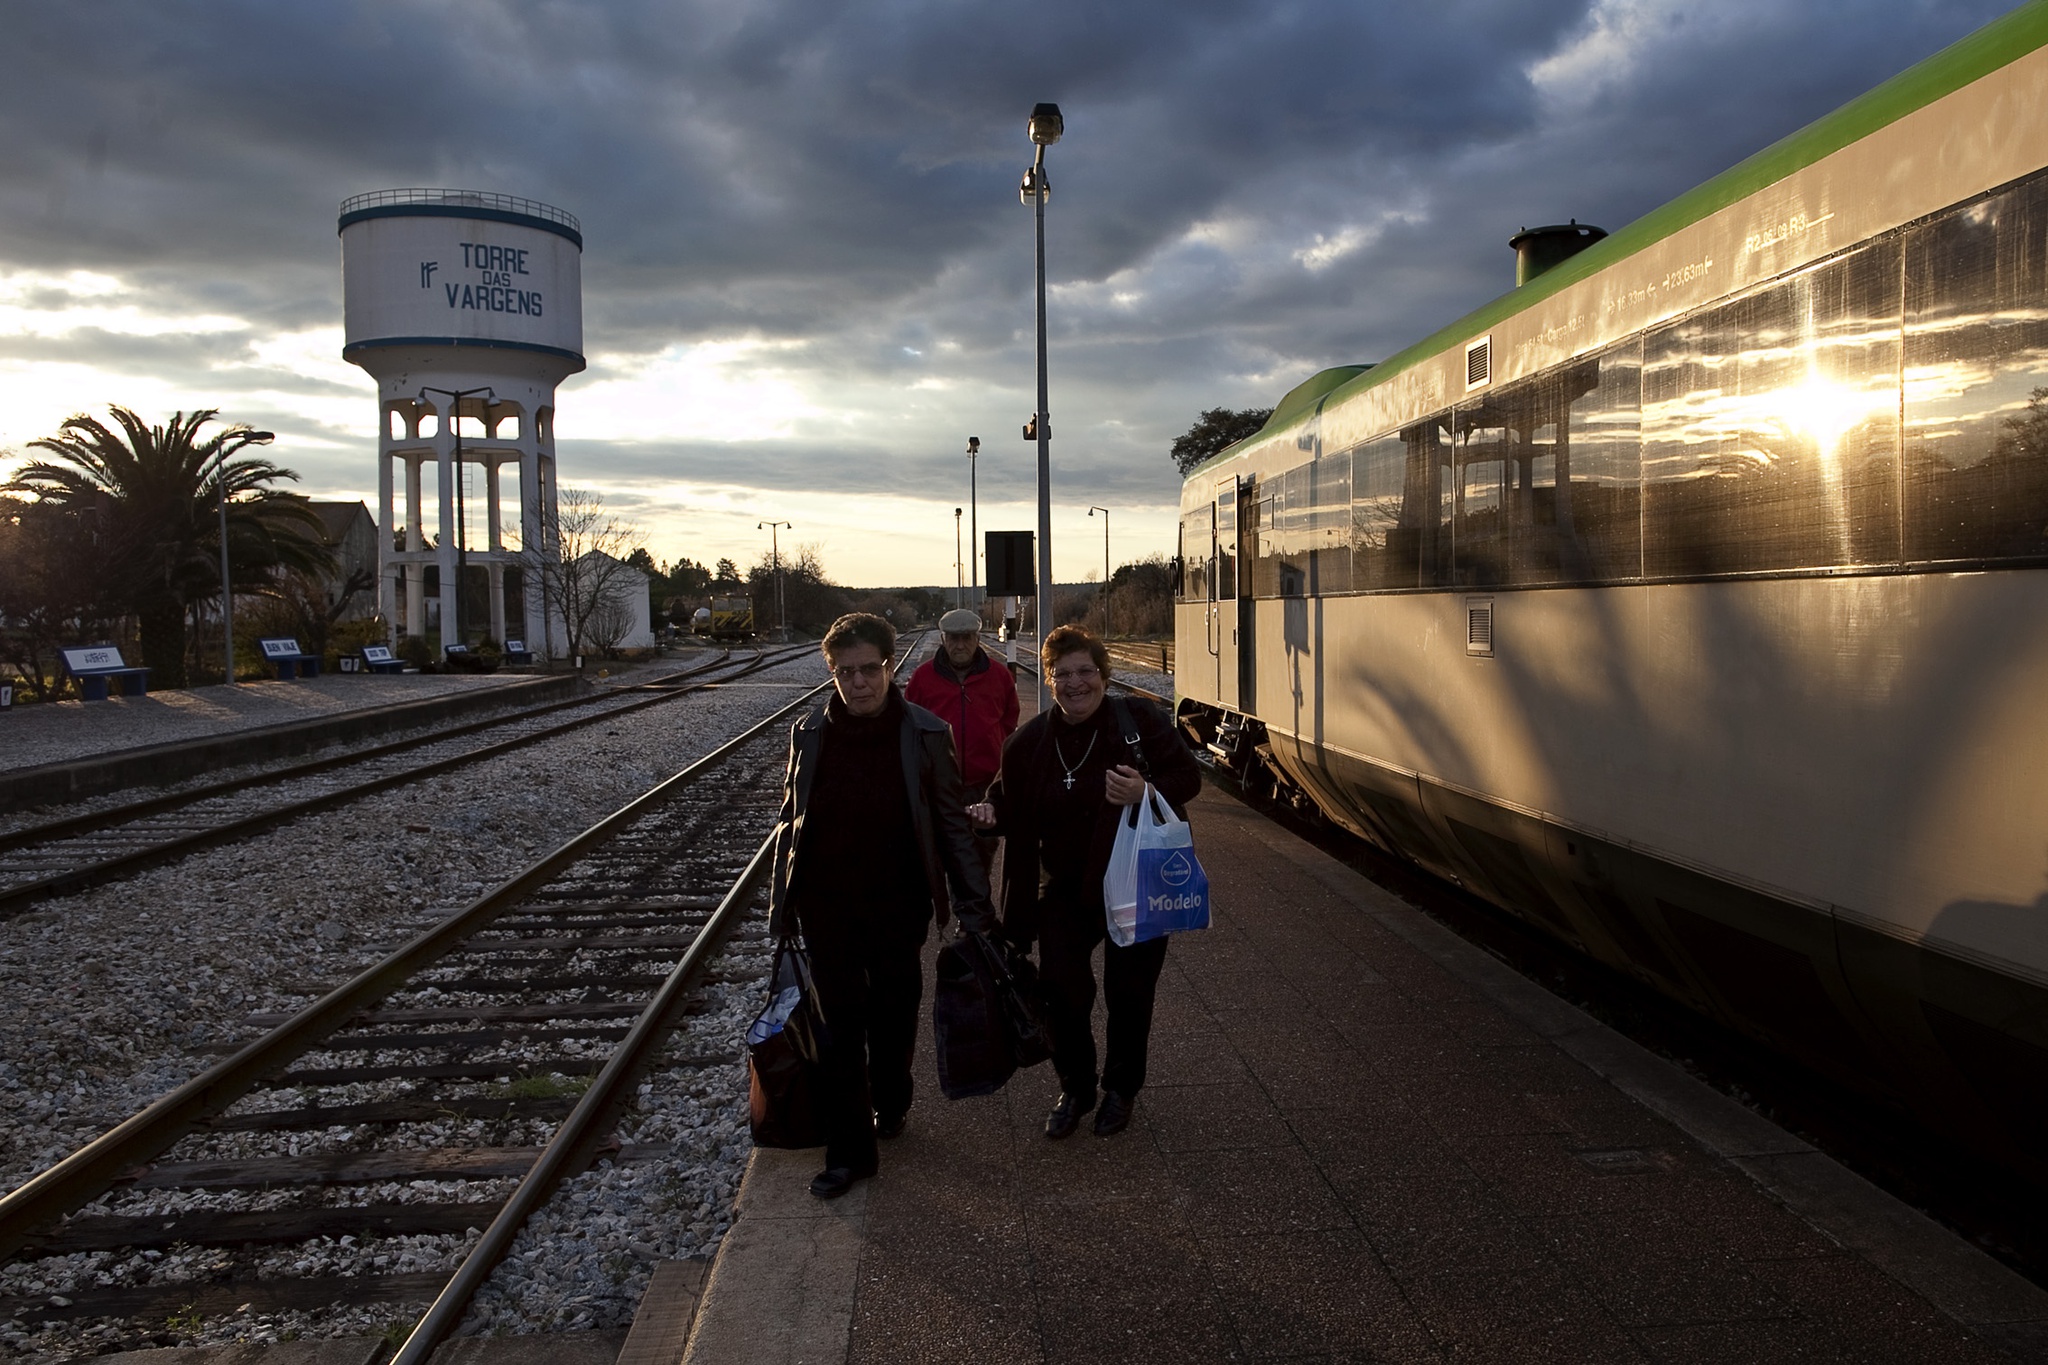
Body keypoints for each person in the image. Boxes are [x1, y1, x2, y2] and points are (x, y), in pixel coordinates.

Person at [767, 612, 994, 1198]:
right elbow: (791, 825)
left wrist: (975, 904)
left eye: (870, 669)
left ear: (890, 668)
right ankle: (851, 1152)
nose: (859, 682)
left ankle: (891, 1096)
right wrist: (780, 905)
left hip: (899, 904)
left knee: (893, 1015)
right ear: (831, 673)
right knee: (839, 1026)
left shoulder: (924, 733)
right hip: (827, 906)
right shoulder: (810, 734)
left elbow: (949, 824)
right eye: (845, 672)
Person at [967, 624, 1201, 1139]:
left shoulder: (1139, 721)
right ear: (1048, 679)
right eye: (1062, 674)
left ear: (1102, 674)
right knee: (1061, 991)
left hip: (1137, 881)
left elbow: (1189, 778)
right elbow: (1008, 802)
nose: (1075, 683)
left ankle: (1121, 1089)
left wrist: (1145, 788)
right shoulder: (1029, 743)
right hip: (1065, 889)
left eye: (1085, 672)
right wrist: (990, 813)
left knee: (1131, 993)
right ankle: (1076, 1085)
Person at [904, 607, 1020, 873]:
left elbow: (1009, 719)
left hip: (985, 785)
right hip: (938, 785)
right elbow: (910, 723)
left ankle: (973, 913)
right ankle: (946, 909)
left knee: (980, 855)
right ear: (943, 639)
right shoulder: (923, 677)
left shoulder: (999, 676)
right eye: (953, 638)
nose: (960, 645)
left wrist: (993, 747)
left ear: (977, 639)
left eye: (967, 637)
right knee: (938, 855)